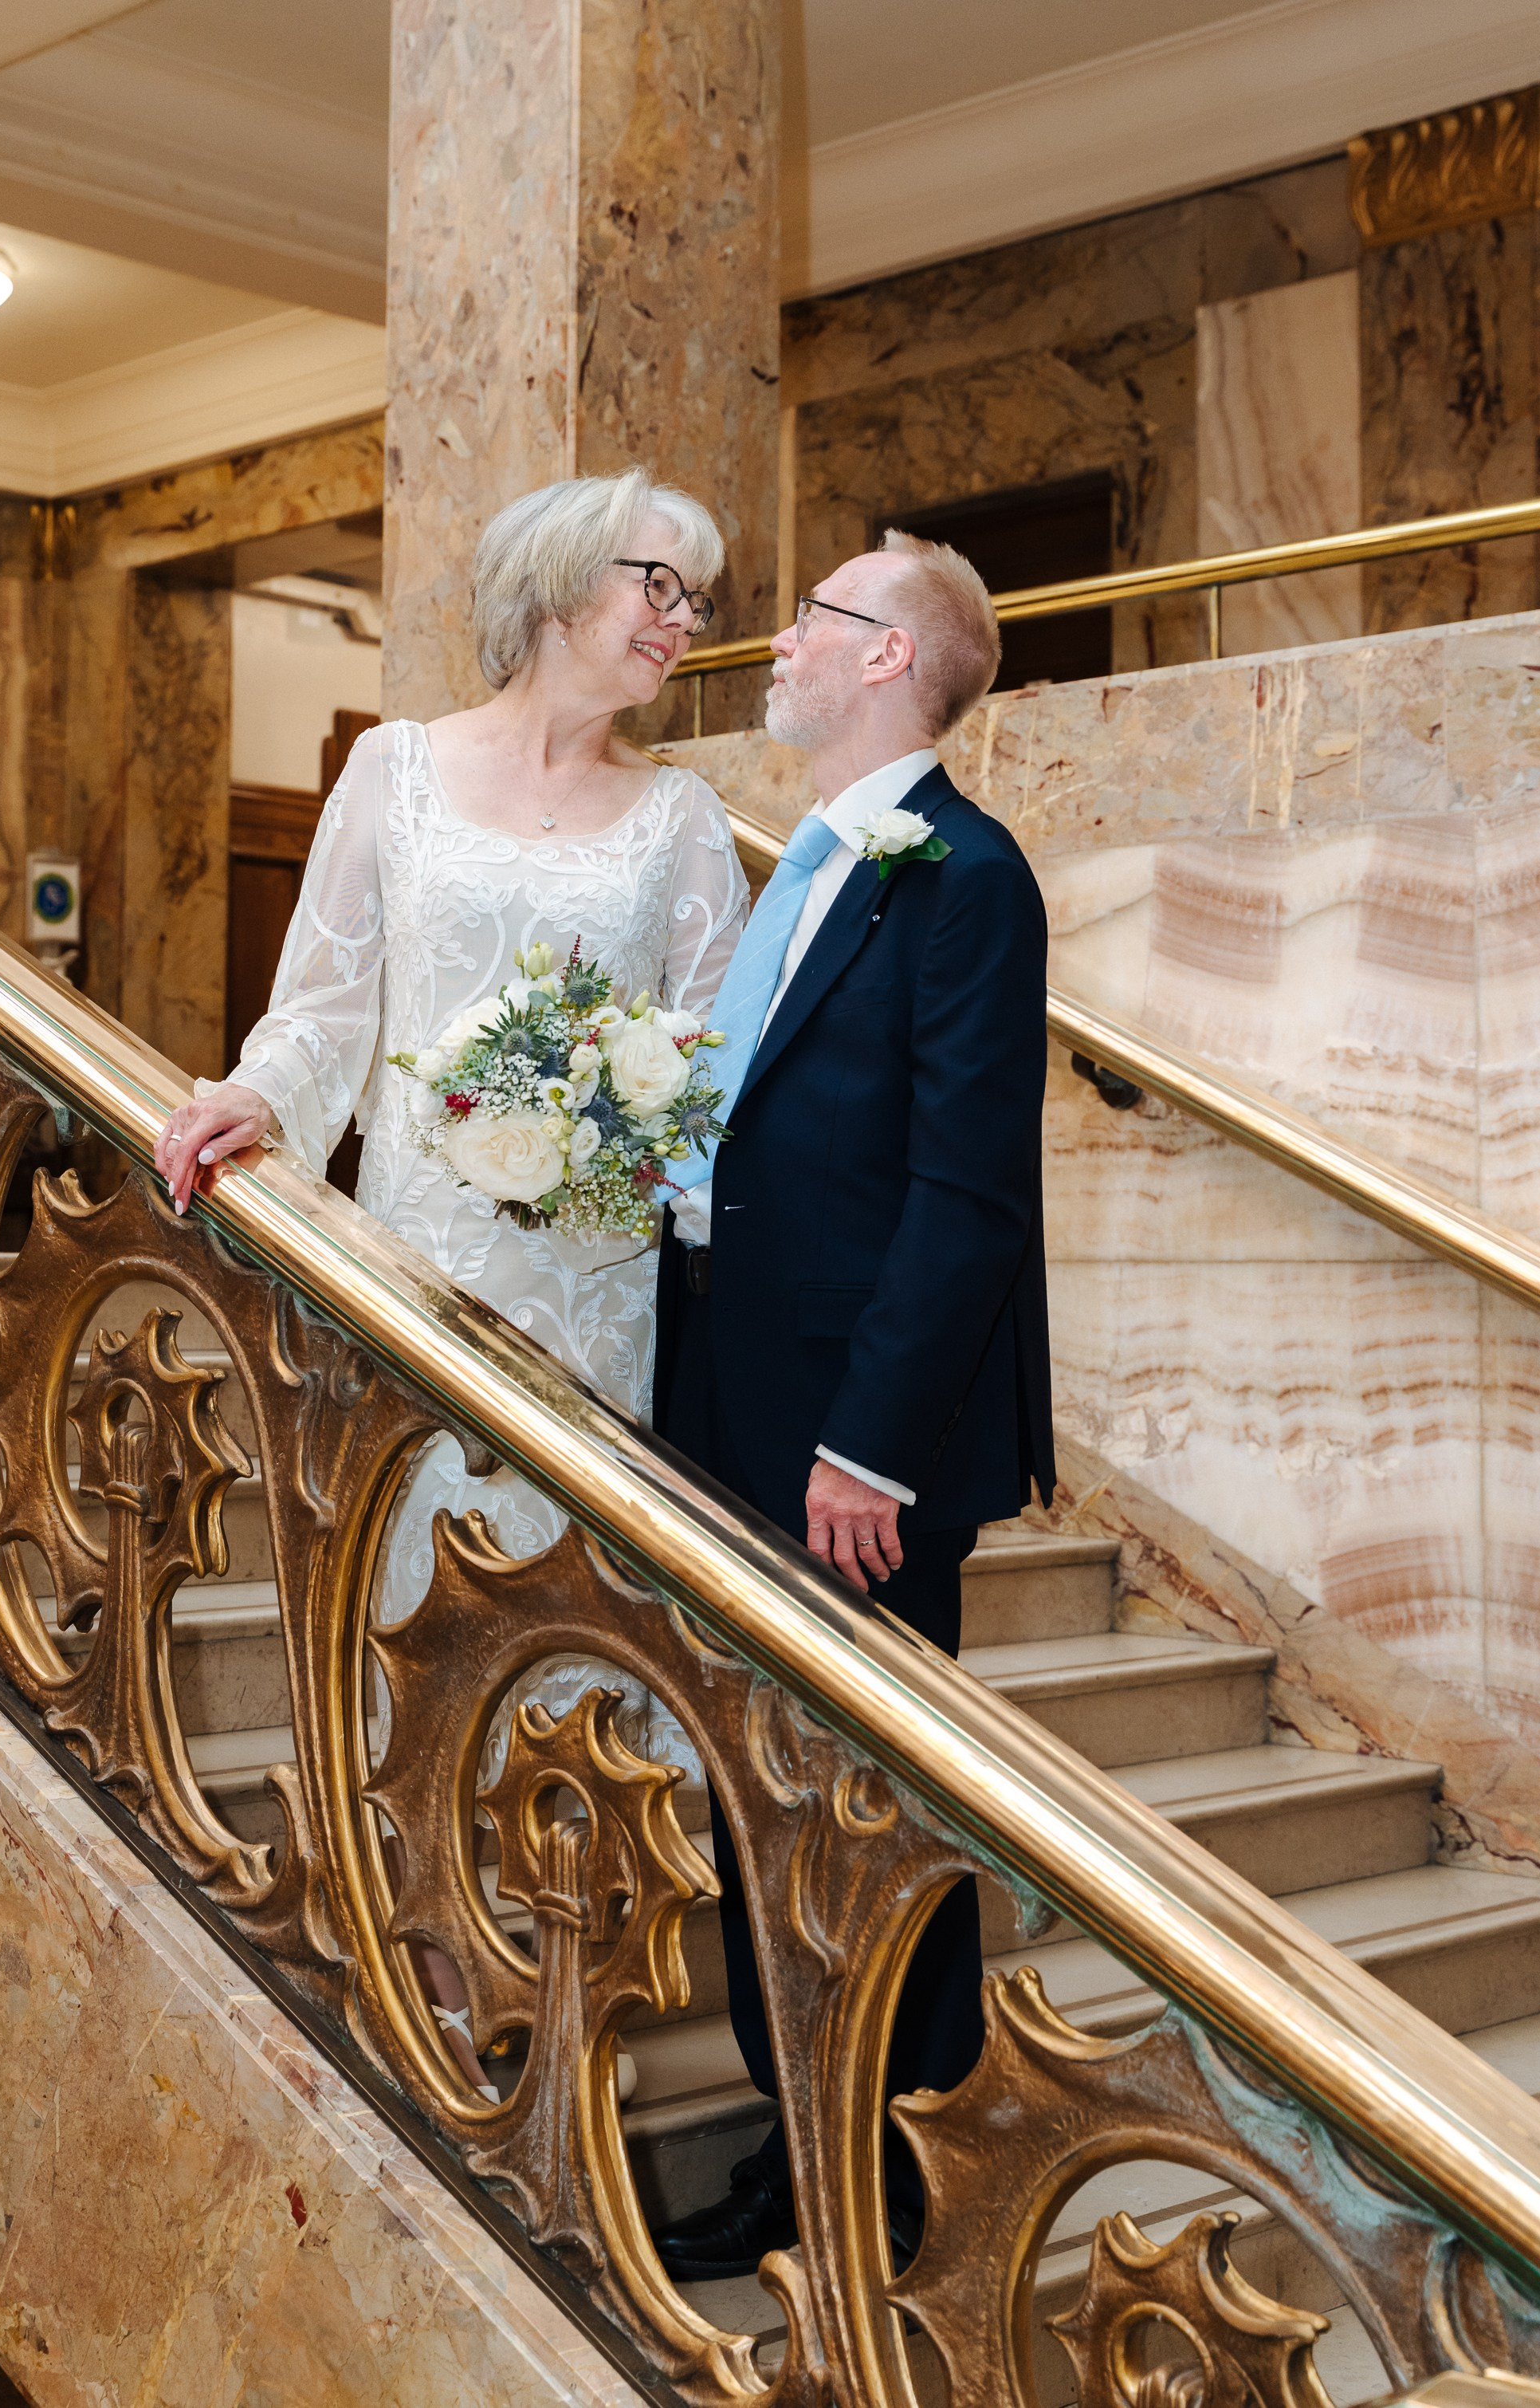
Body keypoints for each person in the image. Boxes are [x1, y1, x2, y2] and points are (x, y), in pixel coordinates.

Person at [154, 466, 748, 2095]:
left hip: (600, 1300)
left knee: (572, 1636)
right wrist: (257, 1100)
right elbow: (327, 1007)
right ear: (562, 582)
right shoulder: (392, 771)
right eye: (659, 584)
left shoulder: (682, 818)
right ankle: (408, 1963)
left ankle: (560, 1997)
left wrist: (623, 1112)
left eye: (696, 597)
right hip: (419, 1273)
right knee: (411, 1617)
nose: (680, 623)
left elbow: (713, 1062)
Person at [649, 529, 1053, 2281]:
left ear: (889, 655)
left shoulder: (965, 874)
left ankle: (901, 2163)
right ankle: (787, 2138)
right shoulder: (796, 866)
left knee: (877, 1815)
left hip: (851, 1450)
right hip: (725, 1411)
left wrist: (869, 1443)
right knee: (762, 1798)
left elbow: (966, 1191)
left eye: (810, 615)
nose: (774, 641)